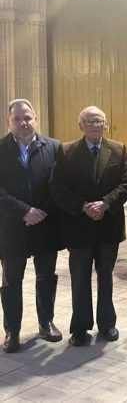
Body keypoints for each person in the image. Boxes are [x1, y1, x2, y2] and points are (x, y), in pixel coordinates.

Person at [50, 106, 127, 347]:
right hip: (78, 227)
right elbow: (57, 187)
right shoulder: (66, 152)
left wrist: (105, 204)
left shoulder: (119, 150)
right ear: (81, 125)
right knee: (80, 279)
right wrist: (83, 206)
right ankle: (79, 327)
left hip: (108, 227)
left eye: (98, 121)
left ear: (105, 124)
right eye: (89, 121)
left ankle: (107, 324)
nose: (94, 125)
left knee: (106, 278)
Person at [0, 99, 63, 353]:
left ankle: (46, 322)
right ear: (9, 122)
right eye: (17, 119)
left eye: (27, 118)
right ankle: (11, 331)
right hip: (11, 228)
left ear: (35, 118)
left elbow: (59, 185)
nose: (23, 123)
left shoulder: (54, 147)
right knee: (12, 280)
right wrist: (24, 211)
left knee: (46, 276)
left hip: (45, 225)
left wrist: (41, 211)